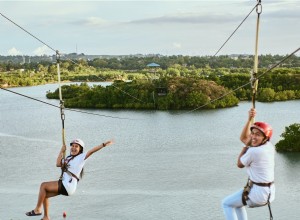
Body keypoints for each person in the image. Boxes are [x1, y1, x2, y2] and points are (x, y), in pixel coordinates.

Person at [26, 138, 114, 220]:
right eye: (72, 146)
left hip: (68, 185)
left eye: (76, 146)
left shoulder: (81, 158)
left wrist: (103, 144)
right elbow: (57, 164)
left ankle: (38, 209)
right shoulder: (68, 158)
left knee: (43, 185)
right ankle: (46, 217)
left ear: (80, 149)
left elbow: (92, 151)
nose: (74, 148)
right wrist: (61, 151)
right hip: (66, 185)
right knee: (44, 194)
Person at [222, 108, 275, 220]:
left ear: (265, 138)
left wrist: (246, 146)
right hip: (269, 192)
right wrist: (250, 119)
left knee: (226, 203)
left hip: (258, 193)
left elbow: (239, 164)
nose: (254, 137)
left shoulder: (254, 151)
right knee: (237, 205)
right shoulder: (269, 147)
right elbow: (244, 138)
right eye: (253, 133)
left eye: (258, 135)